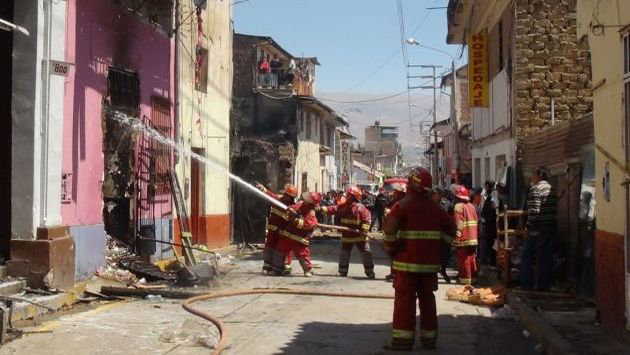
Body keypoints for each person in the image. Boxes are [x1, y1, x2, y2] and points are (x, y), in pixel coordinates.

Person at [383, 167, 456, 350]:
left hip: (406, 264)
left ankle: (402, 341)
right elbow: (452, 230)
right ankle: (429, 339)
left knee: (404, 301)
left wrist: (391, 249)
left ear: (411, 184)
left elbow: (389, 230)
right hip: (429, 266)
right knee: (428, 300)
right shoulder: (436, 209)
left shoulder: (402, 206)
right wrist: (440, 247)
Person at [321, 186, 375, 279]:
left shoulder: (360, 208)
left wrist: (364, 230)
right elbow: (335, 209)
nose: (347, 196)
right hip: (347, 235)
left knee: (366, 253)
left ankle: (370, 272)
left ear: (354, 197)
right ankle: (343, 271)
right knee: (344, 253)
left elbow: (367, 220)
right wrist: (324, 209)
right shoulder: (345, 206)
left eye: (349, 195)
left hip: (360, 235)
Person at [521, 167, 557, 291]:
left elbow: (534, 211)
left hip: (537, 229)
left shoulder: (536, 189)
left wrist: (528, 227)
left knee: (526, 255)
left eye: (533, 175)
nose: (532, 177)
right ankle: (544, 285)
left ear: (539, 176)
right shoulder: (552, 189)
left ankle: (527, 285)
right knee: (545, 258)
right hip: (550, 227)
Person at [272, 192, 320, 277]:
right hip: (288, 234)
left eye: (307, 199)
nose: (304, 199)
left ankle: (307, 270)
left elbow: (306, 225)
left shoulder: (311, 213)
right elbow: (292, 209)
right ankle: (277, 269)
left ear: (310, 202)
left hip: (299, 238)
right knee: (280, 250)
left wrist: (295, 219)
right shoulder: (300, 204)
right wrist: (290, 210)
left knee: (302, 254)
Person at [255, 183, 297, 274]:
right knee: (270, 247)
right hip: (273, 229)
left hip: (284, 232)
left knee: (283, 249)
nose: (287, 198)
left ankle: (285, 266)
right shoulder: (277, 200)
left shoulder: (293, 207)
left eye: (289, 196)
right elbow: (270, 195)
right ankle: (267, 266)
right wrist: (263, 189)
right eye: (287, 195)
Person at [453, 186, 479, 285]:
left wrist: (457, 239)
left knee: (464, 259)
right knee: (472, 258)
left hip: (464, 238)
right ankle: (473, 279)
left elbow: (459, 225)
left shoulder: (458, 206)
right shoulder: (472, 206)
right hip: (473, 238)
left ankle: (465, 280)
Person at [384, 184, 407, 282]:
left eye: (396, 192)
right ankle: (394, 273)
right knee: (393, 255)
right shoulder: (395, 203)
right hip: (393, 234)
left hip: (399, 235)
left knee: (397, 255)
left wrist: (389, 213)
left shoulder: (402, 204)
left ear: (401, 194)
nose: (393, 194)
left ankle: (396, 274)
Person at [431, 187, 452, 284]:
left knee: (446, 254)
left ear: (440, 194)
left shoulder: (446, 203)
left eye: (436, 194)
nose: (434, 196)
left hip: (443, 234)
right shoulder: (429, 203)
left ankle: (443, 270)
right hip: (432, 234)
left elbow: (450, 217)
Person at [480, 182, 497, 266]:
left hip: (490, 225)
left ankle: (488, 261)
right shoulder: (491, 196)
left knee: (489, 244)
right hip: (492, 225)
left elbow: (485, 212)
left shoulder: (491, 197)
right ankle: (490, 261)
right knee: (491, 244)